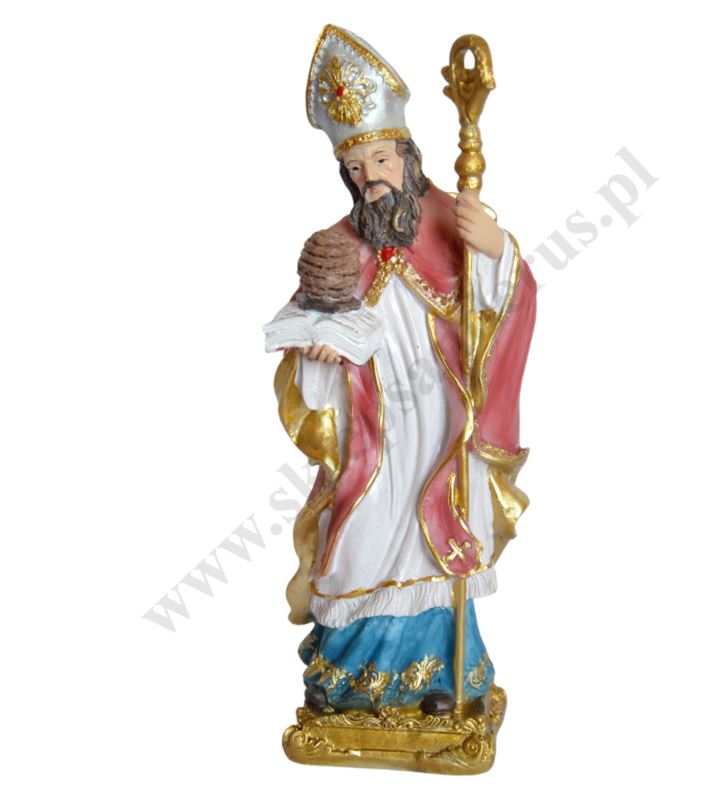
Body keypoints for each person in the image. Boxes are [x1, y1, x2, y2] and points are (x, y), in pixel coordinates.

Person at [269, 24, 536, 715]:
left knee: (433, 540)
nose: (371, 179)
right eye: (357, 169)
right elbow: (305, 326)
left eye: (382, 160)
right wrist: (318, 353)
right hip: (370, 426)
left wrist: (496, 250)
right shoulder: (341, 243)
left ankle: (447, 675)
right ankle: (347, 677)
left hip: (441, 419)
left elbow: (507, 301)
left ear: (409, 157)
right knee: (358, 539)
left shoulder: (453, 219)